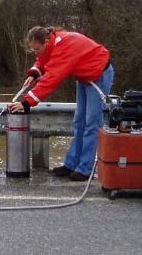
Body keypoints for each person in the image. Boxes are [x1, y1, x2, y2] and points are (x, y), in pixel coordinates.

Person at [8, 26, 114, 181]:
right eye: (33, 50)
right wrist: (34, 73)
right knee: (79, 121)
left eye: (37, 49)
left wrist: (26, 103)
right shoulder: (51, 44)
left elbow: (52, 78)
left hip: (99, 75)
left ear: (45, 42)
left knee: (91, 123)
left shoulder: (64, 48)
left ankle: (85, 168)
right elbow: (43, 59)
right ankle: (71, 164)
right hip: (84, 77)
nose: (35, 53)